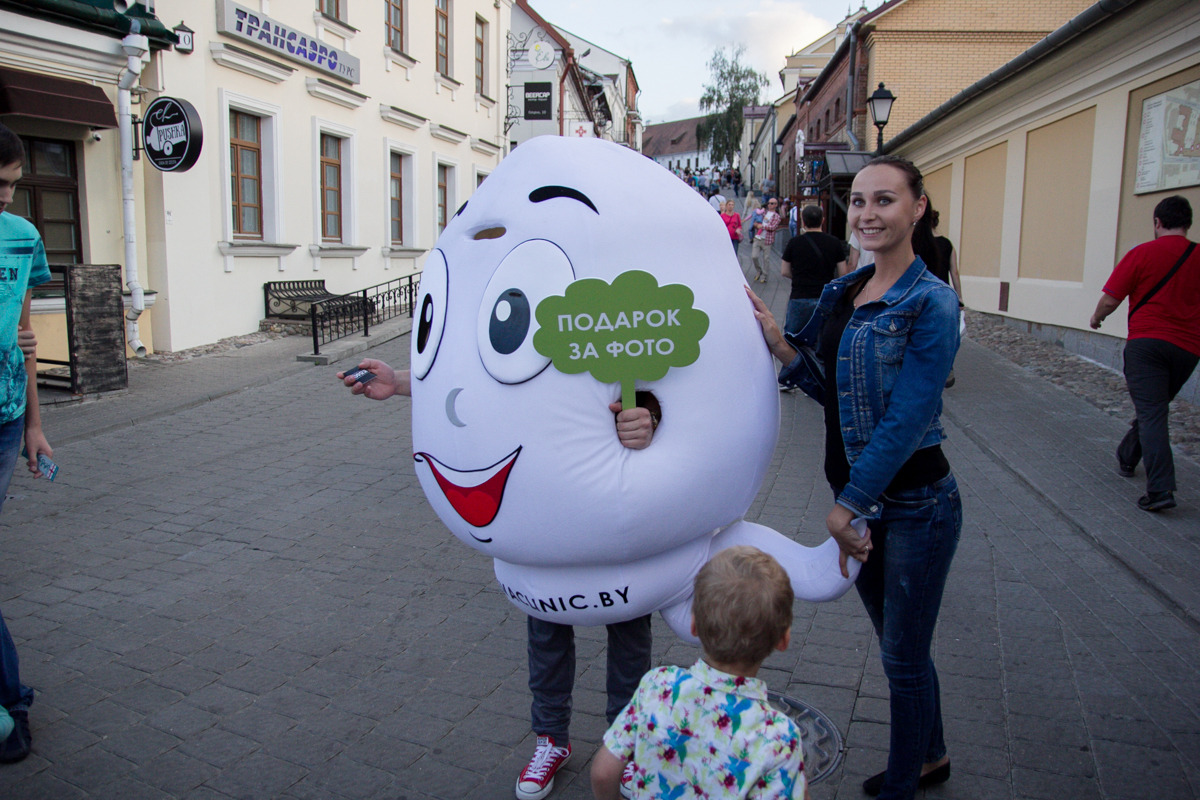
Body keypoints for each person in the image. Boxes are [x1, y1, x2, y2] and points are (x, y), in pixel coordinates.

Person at [337, 361, 655, 800]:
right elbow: (482, 376)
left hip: (614, 504)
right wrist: (404, 383)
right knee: (546, 627)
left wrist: (649, 415)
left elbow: (665, 377)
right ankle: (551, 740)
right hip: (541, 502)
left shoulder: (608, 306)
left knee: (629, 628)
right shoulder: (524, 301)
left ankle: (627, 746)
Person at [747, 155, 961, 800]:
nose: (868, 214)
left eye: (885, 200)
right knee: (902, 648)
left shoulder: (931, 302)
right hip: (864, 507)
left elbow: (907, 416)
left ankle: (903, 782)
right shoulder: (845, 291)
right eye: (860, 202)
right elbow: (826, 388)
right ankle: (932, 756)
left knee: (900, 655)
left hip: (916, 502)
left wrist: (848, 507)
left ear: (916, 207)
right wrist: (779, 341)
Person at [590, 546, 809, 800]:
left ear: (693, 624)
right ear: (784, 639)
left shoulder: (658, 686)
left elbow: (603, 773)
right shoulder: (778, 736)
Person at [0, 122, 55, 765]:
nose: (5, 198)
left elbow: (25, 335)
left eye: (12, 186)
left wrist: (35, 426)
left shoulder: (21, 236)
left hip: (5, 416)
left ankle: (11, 702)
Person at [1090, 195, 1200, 513]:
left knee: (1153, 412)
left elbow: (1111, 299)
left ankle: (1161, 489)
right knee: (1154, 408)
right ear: (1187, 223)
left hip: (1147, 346)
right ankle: (1127, 456)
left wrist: (1097, 318)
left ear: (1156, 222)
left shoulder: (1142, 253)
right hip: (1187, 350)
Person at [911, 198, 963, 388]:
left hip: (919, 295)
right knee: (947, 334)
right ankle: (947, 367)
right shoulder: (947, 244)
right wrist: (959, 296)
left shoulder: (915, 242)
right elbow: (954, 272)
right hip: (945, 295)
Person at [780, 204, 846, 339]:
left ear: (803, 221)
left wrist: (799, 277)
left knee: (794, 339)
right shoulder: (834, 243)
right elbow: (843, 273)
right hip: (825, 297)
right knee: (824, 339)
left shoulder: (794, 243)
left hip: (800, 296)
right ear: (822, 220)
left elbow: (784, 271)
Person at [750, 197, 781, 284]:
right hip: (758, 237)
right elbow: (757, 220)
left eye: (771, 203)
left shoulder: (776, 216)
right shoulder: (764, 213)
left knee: (766, 258)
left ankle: (764, 275)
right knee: (754, 256)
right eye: (769, 203)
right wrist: (756, 224)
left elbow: (773, 227)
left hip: (767, 239)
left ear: (775, 205)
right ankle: (759, 270)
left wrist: (762, 226)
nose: (769, 205)